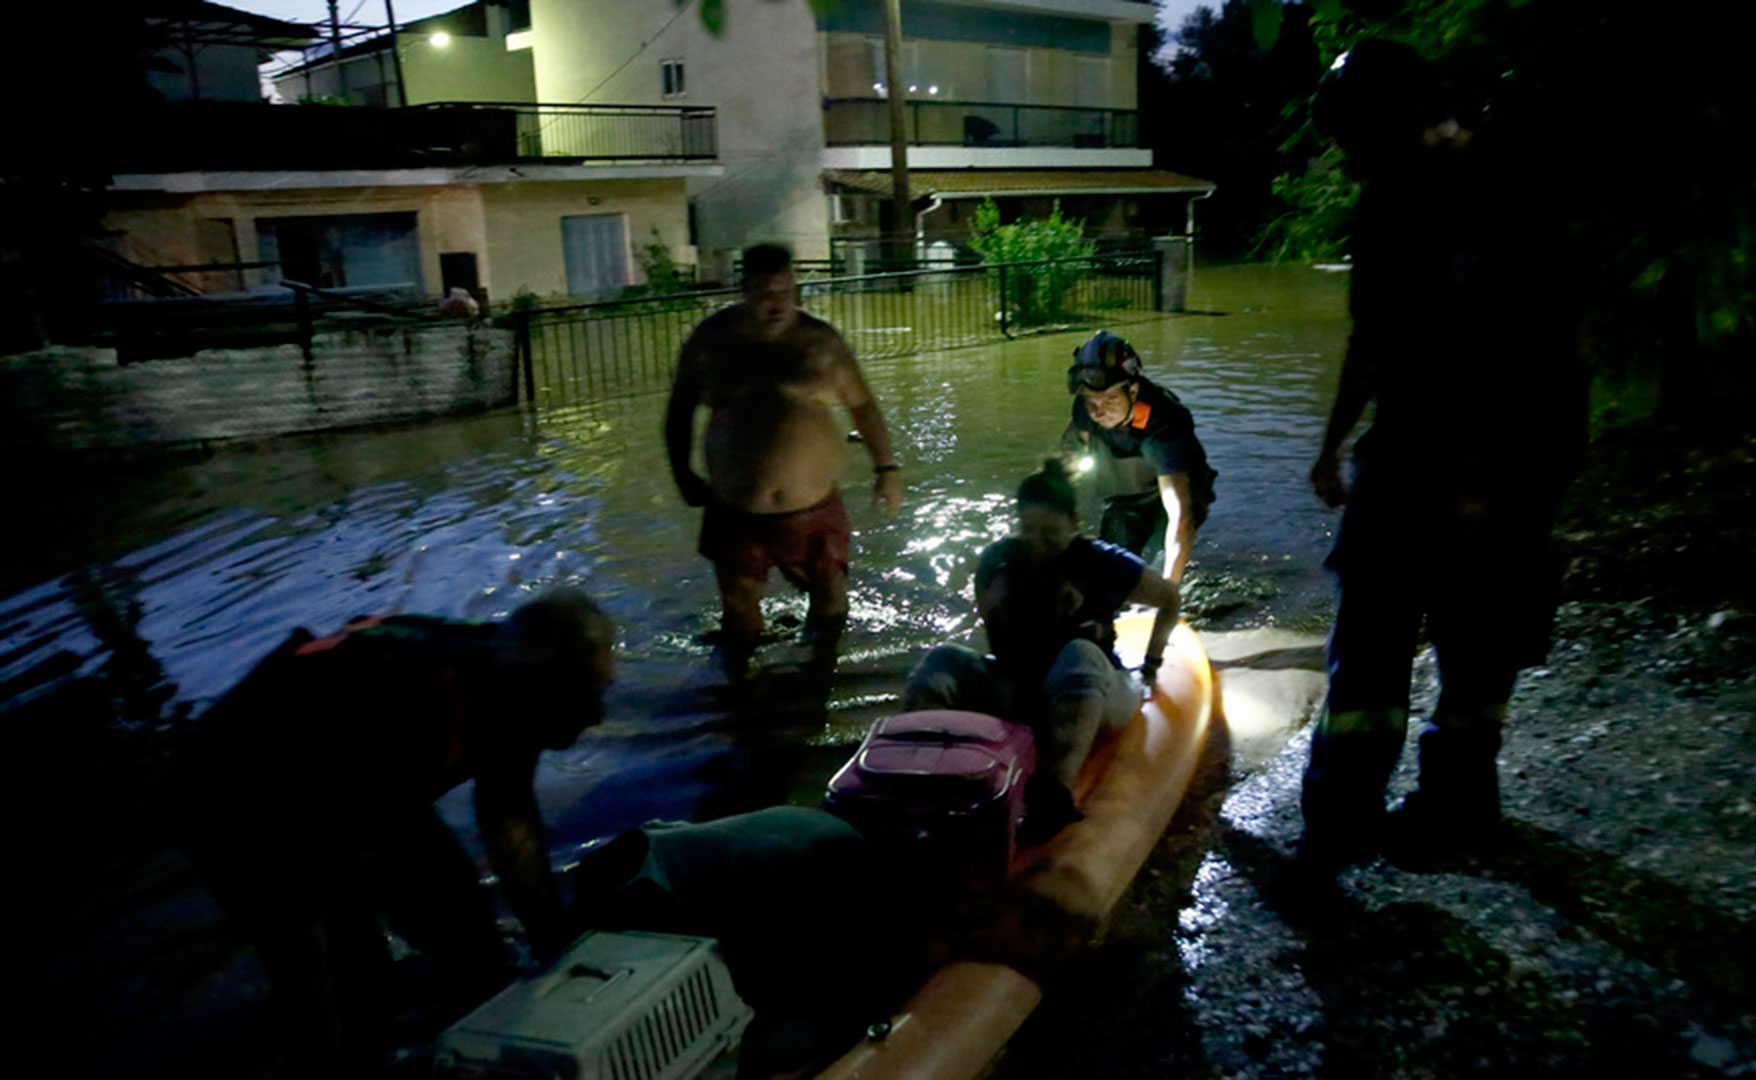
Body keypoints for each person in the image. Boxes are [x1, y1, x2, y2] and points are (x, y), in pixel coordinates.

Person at [1283, 39, 1589, 894]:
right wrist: (1334, 441)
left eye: (1355, 139)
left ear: (1403, 121)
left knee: (1478, 636)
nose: (1346, 162)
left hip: (1511, 454)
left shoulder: (1514, 193)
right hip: (1409, 448)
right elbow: (1372, 338)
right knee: (1370, 633)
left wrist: (1488, 481)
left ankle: (1458, 802)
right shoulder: (1384, 204)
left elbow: (1551, 356)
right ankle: (1340, 821)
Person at [174, 589, 616, 1078]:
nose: (599, 715)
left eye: (602, 691)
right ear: (537, 694)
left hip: (369, 781)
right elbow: (315, 891)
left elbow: (509, 817)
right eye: (587, 696)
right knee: (352, 979)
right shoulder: (409, 700)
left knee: (472, 939)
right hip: (239, 793)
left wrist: (557, 945)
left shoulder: (514, 684)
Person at [903, 459, 1183, 840]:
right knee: (942, 660)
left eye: (1050, 532)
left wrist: (1151, 664)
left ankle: (1055, 792)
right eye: (1029, 530)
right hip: (1025, 694)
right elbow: (998, 641)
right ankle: (910, 773)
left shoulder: (1102, 562)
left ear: (1074, 523)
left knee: (1078, 653)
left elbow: (1170, 600)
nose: (1038, 543)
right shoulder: (998, 562)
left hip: (1096, 696)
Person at [665, 243, 905, 679]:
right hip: (734, 508)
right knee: (739, 618)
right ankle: (739, 708)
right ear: (743, 291)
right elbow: (679, 411)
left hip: (813, 508)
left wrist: (887, 470)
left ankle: (821, 692)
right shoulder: (712, 342)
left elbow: (863, 407)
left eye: (784, 291)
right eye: (763, 293)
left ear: (795, 290)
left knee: (831, 605)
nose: (776, 304)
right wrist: (681, 471)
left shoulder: (820, 342)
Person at [1063, 330, 1217, 583]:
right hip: (1125, 499)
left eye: (1111, 399)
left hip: (1176, 492)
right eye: (1091, 402)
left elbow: (1181, 513)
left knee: (1158, 572)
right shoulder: (1084, 411)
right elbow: (1065, 460)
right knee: (1109, 571)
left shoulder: (1164, 423)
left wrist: (1169, 591)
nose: (1099, 412)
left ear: (1133, 392)